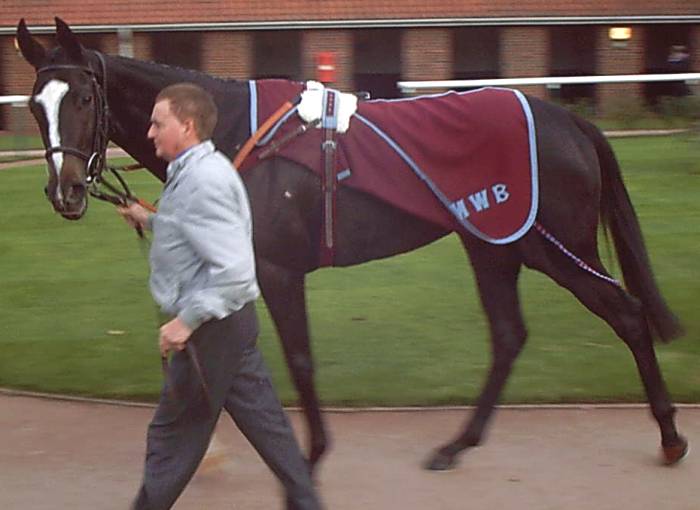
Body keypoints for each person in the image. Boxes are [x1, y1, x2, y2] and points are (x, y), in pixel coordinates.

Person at [118, 82, 322, 510]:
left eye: (158, 123)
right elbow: (191, 226)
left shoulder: (204, 180)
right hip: (230, 328)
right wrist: (149, 219)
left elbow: (235, 273)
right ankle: (308, 502)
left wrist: (185, 321)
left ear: (187, 126)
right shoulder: (197, 171)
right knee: (268, 427)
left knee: (171, 439)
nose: (150, 132)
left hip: (210, 332)